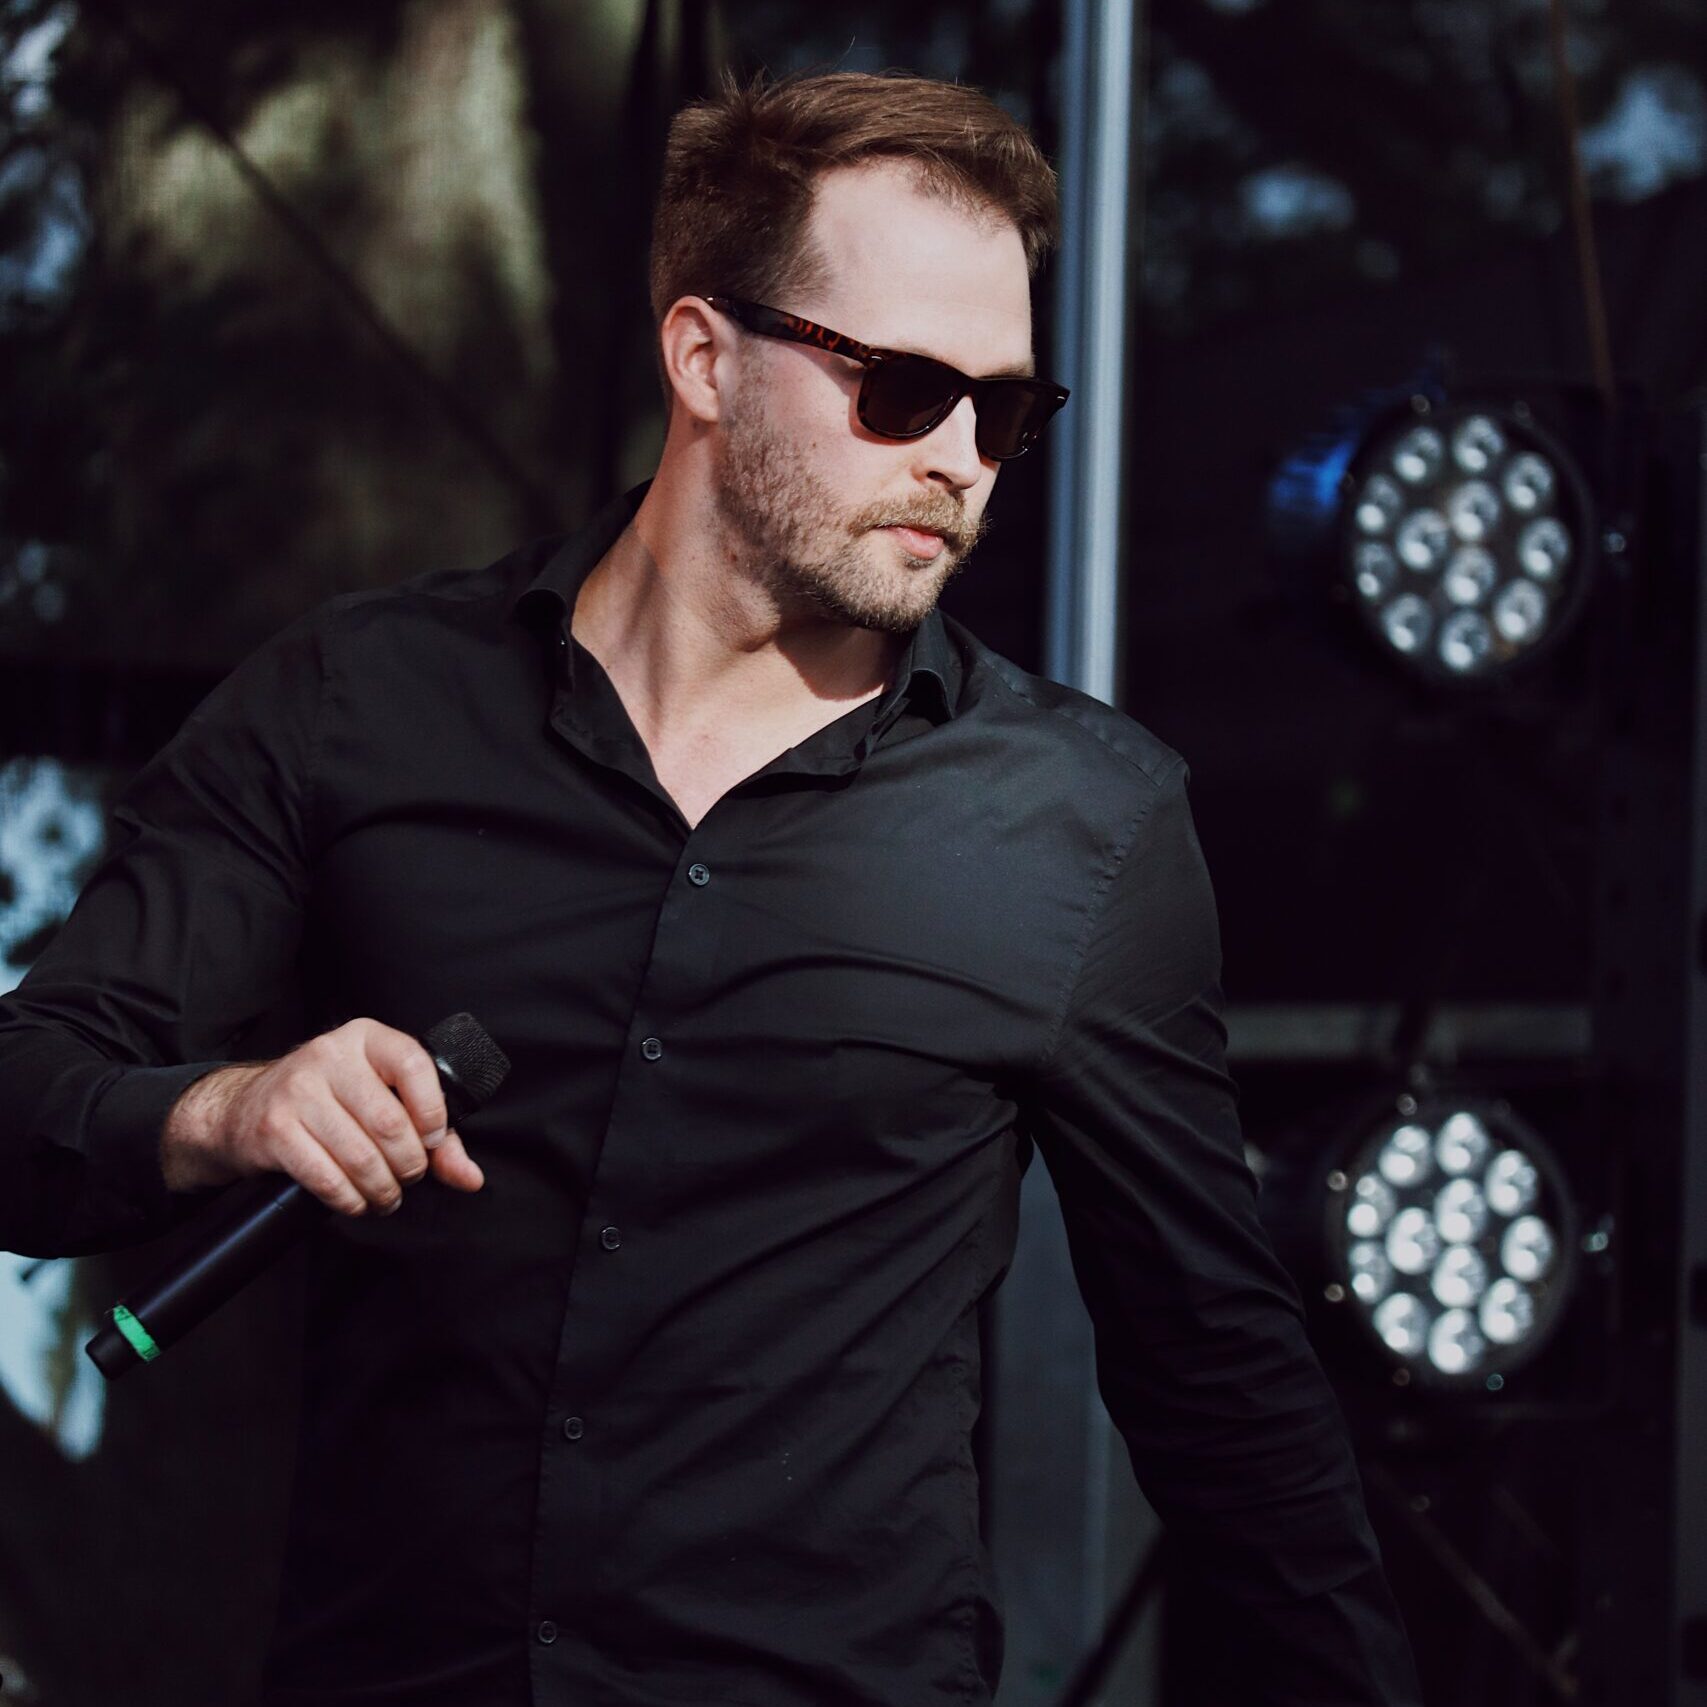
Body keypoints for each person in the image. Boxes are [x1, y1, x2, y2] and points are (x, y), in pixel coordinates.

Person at [0, 68, 1421, 1707]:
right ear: (703, 358)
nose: (962, 460)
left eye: (1006, 411)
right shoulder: (356, 704)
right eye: (905, 390)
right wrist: (226, 1111)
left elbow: (1226, 1392)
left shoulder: (1081, 823)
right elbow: (27, 1106)